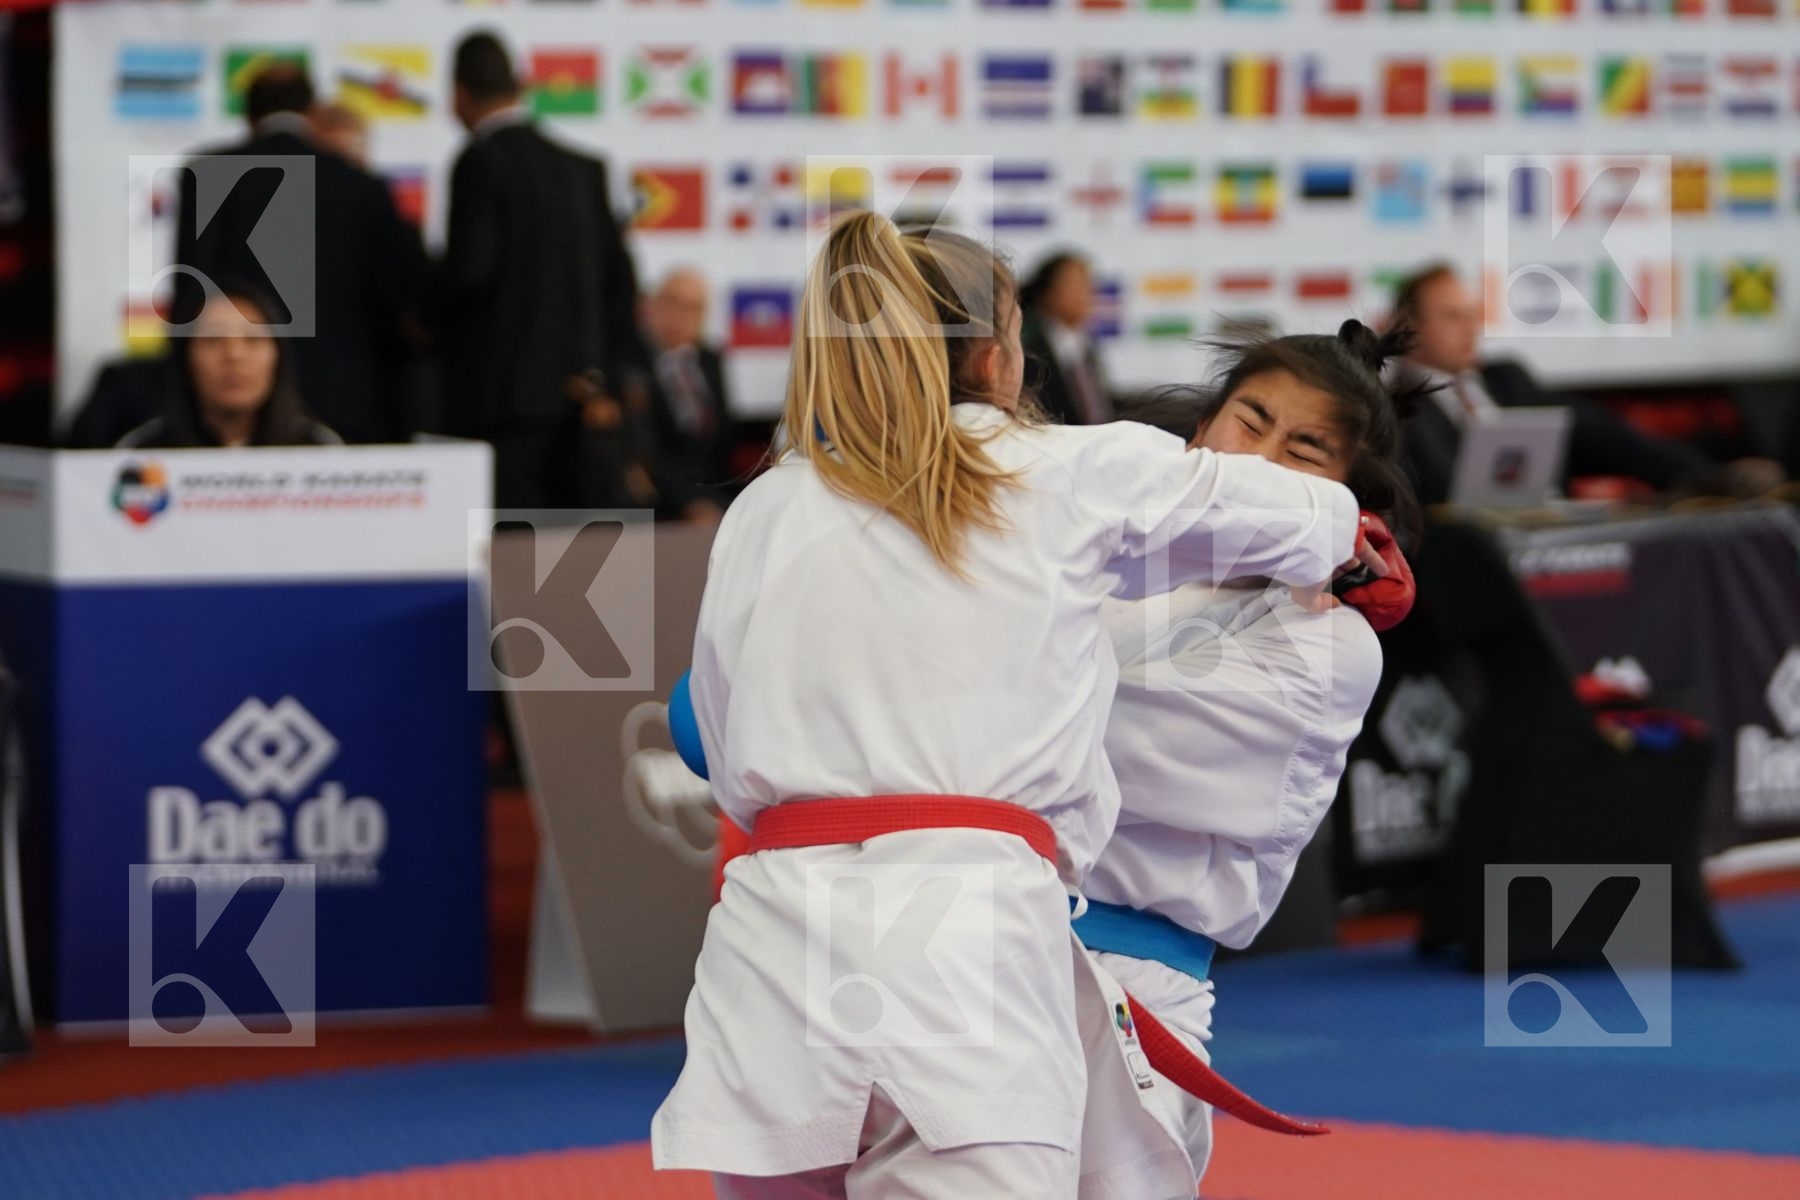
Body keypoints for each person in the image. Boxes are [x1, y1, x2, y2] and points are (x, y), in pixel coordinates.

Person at [650, 213, 1379, 1198]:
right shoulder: (1061, 470)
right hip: (965, 939)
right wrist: (1351, 547)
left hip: (771, 945)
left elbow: (725, 748)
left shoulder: (767, 505)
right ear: (997, 359)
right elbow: (1305, 512)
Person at [1072, 322, 1423, 1200]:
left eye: (1304, 449)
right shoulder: (1085, 553)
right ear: (1201, 432)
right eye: (1248, 420)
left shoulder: (1329, 648)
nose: (1260, 461)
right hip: (962, 955)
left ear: (1345, 499)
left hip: (1127, 994)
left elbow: (1077, 743)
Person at [437, 31, 645, 508]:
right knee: (584, 558)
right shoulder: (584, 169)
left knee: (513, 556)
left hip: (501, 401)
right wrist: (609, 381)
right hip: (582, 399)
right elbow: (619, 281)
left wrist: (423, 315)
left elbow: (470, 273)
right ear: (521, 85)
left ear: (458, 94)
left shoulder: (479, 161)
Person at [171, 63, 425, 444]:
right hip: (347, 403)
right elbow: (397, 304)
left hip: (238, 415)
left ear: (250, 116)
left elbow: (190, 300)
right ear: (312, 113)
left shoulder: (207, 176)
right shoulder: (362, 186)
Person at [1389, 263, 1782, 503]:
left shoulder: (1506, 380)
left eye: (1473, 314)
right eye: (1452, 317)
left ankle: (1710, 479)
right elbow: (1433, 495)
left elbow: (1607, 438)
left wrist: (1705, 477)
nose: (1470, 329)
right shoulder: (1398, 406)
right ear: (1410, 326)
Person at [117, 282, 340, 449]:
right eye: (212, 339)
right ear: (185, 357)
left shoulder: (318, 449)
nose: (234, 355)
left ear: (278, 355)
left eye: (252, 339)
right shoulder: (142, 453)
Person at [642, 267, 740, 520]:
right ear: (653, 306)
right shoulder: (634, 366)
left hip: (716, 494)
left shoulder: (711, 361)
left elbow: (723, 443)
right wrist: (688, 502)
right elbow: (644, 451)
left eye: (694, 308)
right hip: (659, 504)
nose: (682, 316)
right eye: (674, 303)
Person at [1021, 251, 1113, 426]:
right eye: (1075, 284)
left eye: (1088, 283)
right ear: (1048, 291)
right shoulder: (1030, 349)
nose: (1086, 293)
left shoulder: (1086, 345)